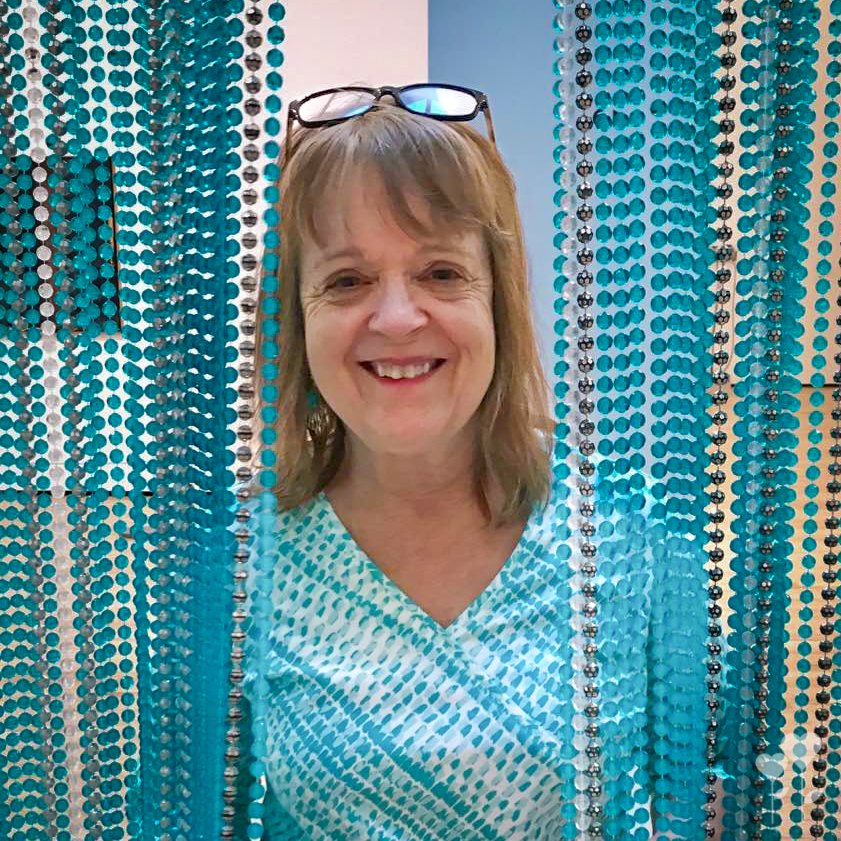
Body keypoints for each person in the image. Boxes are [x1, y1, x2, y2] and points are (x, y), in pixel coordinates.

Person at [230, 83, 726, 839]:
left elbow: (718, 784)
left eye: (439, 272)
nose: (396, 317)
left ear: (496, 300)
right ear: (298, 321)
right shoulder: (240, 569)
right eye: (347, 280)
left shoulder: (632, 537)